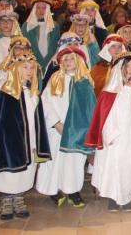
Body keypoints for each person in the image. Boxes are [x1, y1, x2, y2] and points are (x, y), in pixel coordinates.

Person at [0, 54, 51, 220]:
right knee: (9, 173)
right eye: (25, 67)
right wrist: (5, 142)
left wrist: (37, 141)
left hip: (29, 141)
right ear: (16, 69)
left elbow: (37, 120)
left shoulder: (33, 94)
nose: (29, 71)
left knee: (26, 172)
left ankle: (19, 199)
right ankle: (6, 200)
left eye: (32, 68)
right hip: (9, 144)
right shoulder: (6, 94)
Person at [85, 52, 131, 212]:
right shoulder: (111, 90)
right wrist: (109, 134)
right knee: (114, 166)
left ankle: (126, 197)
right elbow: (105, 114)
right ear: (120, 68)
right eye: (128, 66)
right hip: (115, 136)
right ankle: (113, 198)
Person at [36, 46, 96, 208]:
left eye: (72, 58)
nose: (69, 62)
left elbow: (90, 107)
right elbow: (45, 101)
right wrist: (56, 122)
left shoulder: (85, 81)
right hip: (57, 129)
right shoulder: (55, 78)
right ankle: (53, 190)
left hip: (77, 131)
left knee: (74, 161)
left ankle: (73, 190)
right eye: (66, 59)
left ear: (79, 61)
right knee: (54, 161)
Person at [22, 0, 60, 71]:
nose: (41, 11)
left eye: (44, 8)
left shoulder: (54, 26)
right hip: (31, 63)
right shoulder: (27, 26)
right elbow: (23, 45)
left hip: (50, 62)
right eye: (38, 8)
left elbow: (56, 46)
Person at [0, 36, 33, 101]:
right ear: (12, 50)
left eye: (24, 48)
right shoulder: (5, 70)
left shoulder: (32, 68)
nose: (21, 50)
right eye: (17, 48)